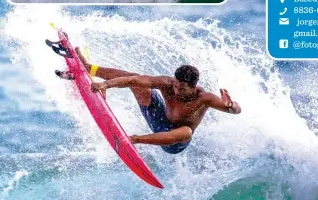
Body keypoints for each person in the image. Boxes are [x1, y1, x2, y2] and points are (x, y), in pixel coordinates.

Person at [55, 47, 241, 154]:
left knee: (186, 132)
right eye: (175, 85)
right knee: (139, 80)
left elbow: (235, 111)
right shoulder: (167, 83)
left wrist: (231, 105)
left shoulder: (204, 98)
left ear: (193, 86)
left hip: (174, 143)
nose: (176, 90)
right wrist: (107, 85)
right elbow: (134, 80)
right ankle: (89, 69)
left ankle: (132, 140)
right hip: (159, 118)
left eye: (182, 88)